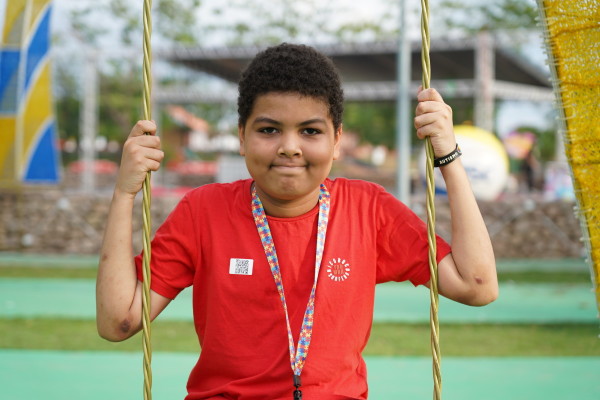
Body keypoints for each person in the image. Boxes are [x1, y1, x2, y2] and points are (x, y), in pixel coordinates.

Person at [96, 43, 497, 400]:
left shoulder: (368, 209)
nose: (289, 147)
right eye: (269, 130)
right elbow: (118, 321)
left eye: (310, 131)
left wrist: (448, 156)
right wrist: (124, 193)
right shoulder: (203, 211)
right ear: (242, 137)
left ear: (336, 141)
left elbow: (477, 285)